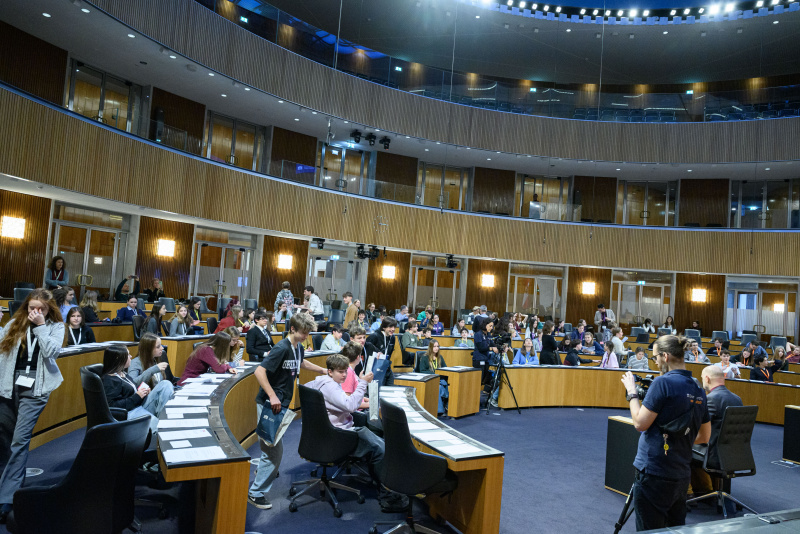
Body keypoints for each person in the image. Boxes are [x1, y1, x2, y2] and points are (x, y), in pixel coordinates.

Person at [620, 335, 711, 531]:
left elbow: (639, 423)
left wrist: (632, 393)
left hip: (654, 471)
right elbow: (705, 436)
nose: (655, 362)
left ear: (665, 356)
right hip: (681, 474)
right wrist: (678, 437)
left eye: (655, 358)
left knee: (649, 529)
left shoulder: (662, 383)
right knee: (674, 529)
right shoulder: (698, 388)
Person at [249, 313, 326, 510]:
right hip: (270, 404)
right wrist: (272, 395)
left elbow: (302, 363)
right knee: (275, 451)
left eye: (308, 334)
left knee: (269, 448)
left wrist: (322, 371)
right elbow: (259, 371)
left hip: (280, 404)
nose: (306, 337)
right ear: (292, 329)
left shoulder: (297, 347)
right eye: (303, 333)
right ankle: (255, 493)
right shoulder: (281, 347)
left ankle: (261, 472)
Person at [0, 289, 65, 522]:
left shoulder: (56, 327)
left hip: (35, 389)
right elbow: (1, 345)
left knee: (19, 440)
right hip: (8, 386)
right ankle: (8, 484)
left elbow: (51, 352)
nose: (34, 312)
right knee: (4, 438)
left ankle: (6, 499)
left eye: (40, 309)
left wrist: (39, 326)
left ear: (49, 310)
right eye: (31, 308)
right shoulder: (16, 322)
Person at [691, 366, 743, 501]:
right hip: (735, 453)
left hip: (714, 454)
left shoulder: (711, 399)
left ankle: (692, 492)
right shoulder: (737, 399)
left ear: (707, 378)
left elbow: (696, 427)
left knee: (680, 445)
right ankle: (708, 490)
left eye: (703, 379)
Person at [101, 345, 172, 436]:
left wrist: (143, 392)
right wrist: (137, 396)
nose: (131, 356)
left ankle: (164, 419)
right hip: (129, 412)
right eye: (128, 354)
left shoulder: (122, 373)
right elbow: (113, 406)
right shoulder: (110, 380)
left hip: (139, 405)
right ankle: (161, 427)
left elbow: (130, 391)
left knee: (165, 384)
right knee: (159, 427)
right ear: (119, 358)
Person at [417, 341, 449, 415]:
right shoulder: (425, 358)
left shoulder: (440, 357)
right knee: (439, 387)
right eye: (434, 346)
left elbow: (445, 368)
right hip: (429, 379)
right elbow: (422, 371)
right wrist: (435, 374)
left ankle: (445, 406)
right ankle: (440, 410)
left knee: (444, 384)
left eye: (437, 346)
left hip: (439, 378)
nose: (436, 348)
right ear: (430, 347)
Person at [364, 317, 397, 387]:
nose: (393, 329)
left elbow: (389, 353)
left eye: (394, 327)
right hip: (375, 370)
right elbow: (366, 352)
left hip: (386, 368)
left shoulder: (392, 338)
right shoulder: (374, 336)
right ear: (384, 327)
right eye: (390, 327)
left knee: (390, 390)